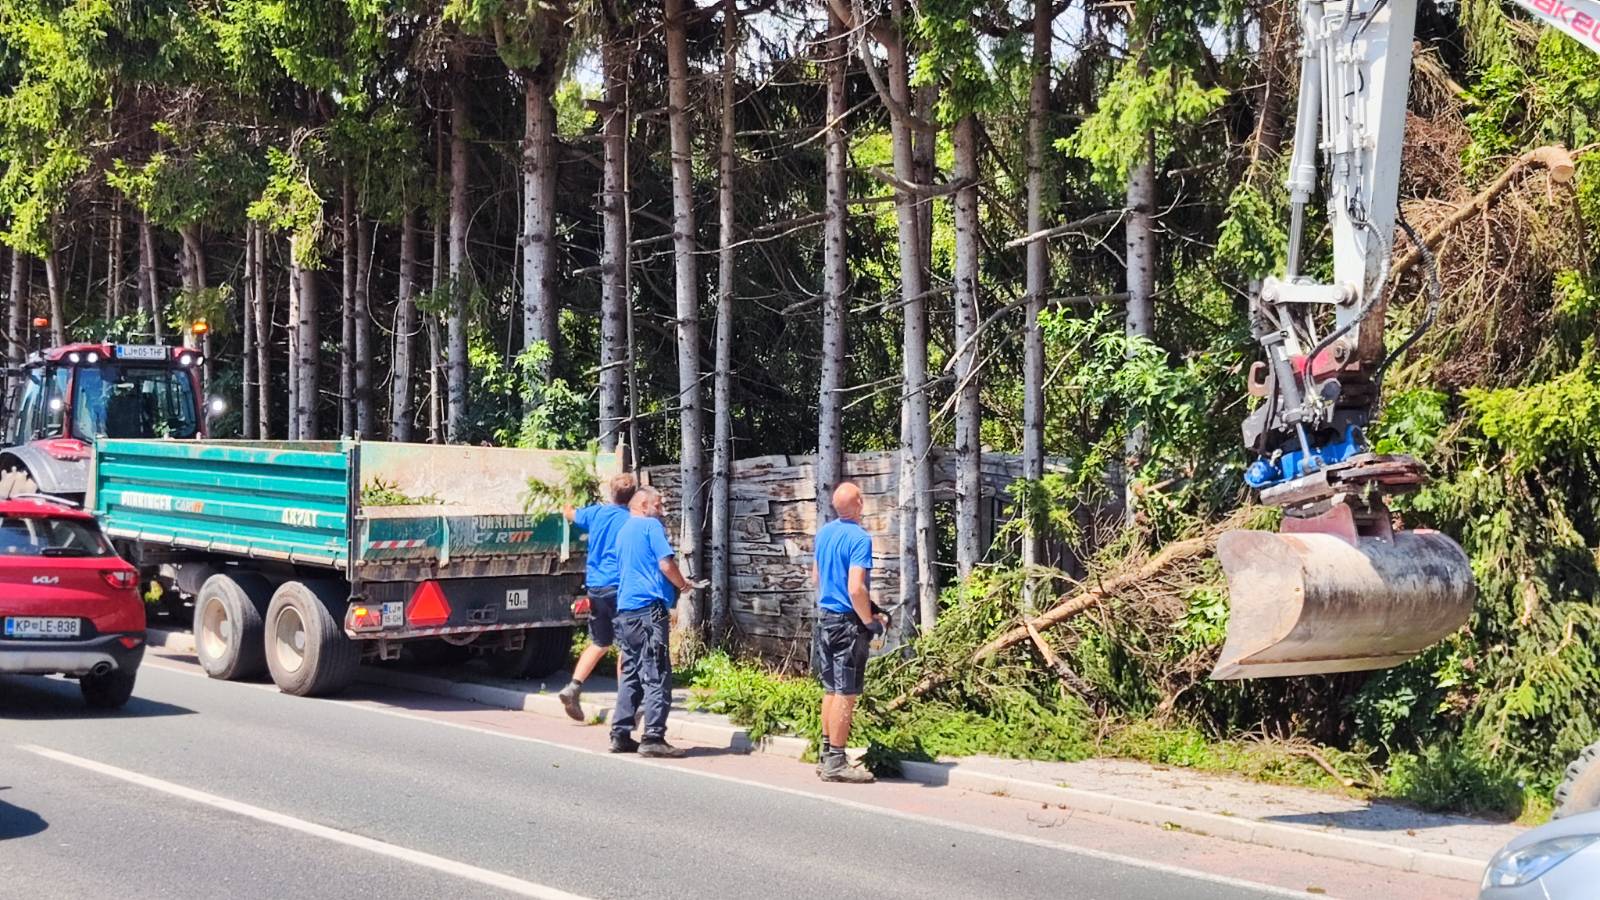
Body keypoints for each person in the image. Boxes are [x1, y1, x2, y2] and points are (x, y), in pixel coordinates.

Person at [610, 486, 690, 758]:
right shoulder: (650, 527)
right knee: (657, 672)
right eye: (658, 505)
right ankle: (653, 736)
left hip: (626, 611)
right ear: (643, 505)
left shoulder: (622, 532)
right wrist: (683, 584)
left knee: (631, 671)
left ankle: (620, 733)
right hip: (650, 610)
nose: (662, 510)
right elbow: (665, 564)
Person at [811, 481, 882, 784]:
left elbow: (817, 577)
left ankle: (827, 753)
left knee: (830, 688)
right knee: (846, 692)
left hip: (825, 618)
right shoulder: (860, 539)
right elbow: (855, 587)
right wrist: (870, 621)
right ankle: (837, 761)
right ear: (859, 504)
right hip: (846, 623)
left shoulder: (824, 533)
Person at [557, 472, 638, 721]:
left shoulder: (595, 513)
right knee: (626, 645)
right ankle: (625, 700)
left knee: (600, 642)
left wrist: (568, 500)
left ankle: (573, 686)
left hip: (596, 586)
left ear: (610, 493)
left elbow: (570, 513)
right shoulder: (631, 520)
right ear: (632, 497)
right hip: (619, 587)